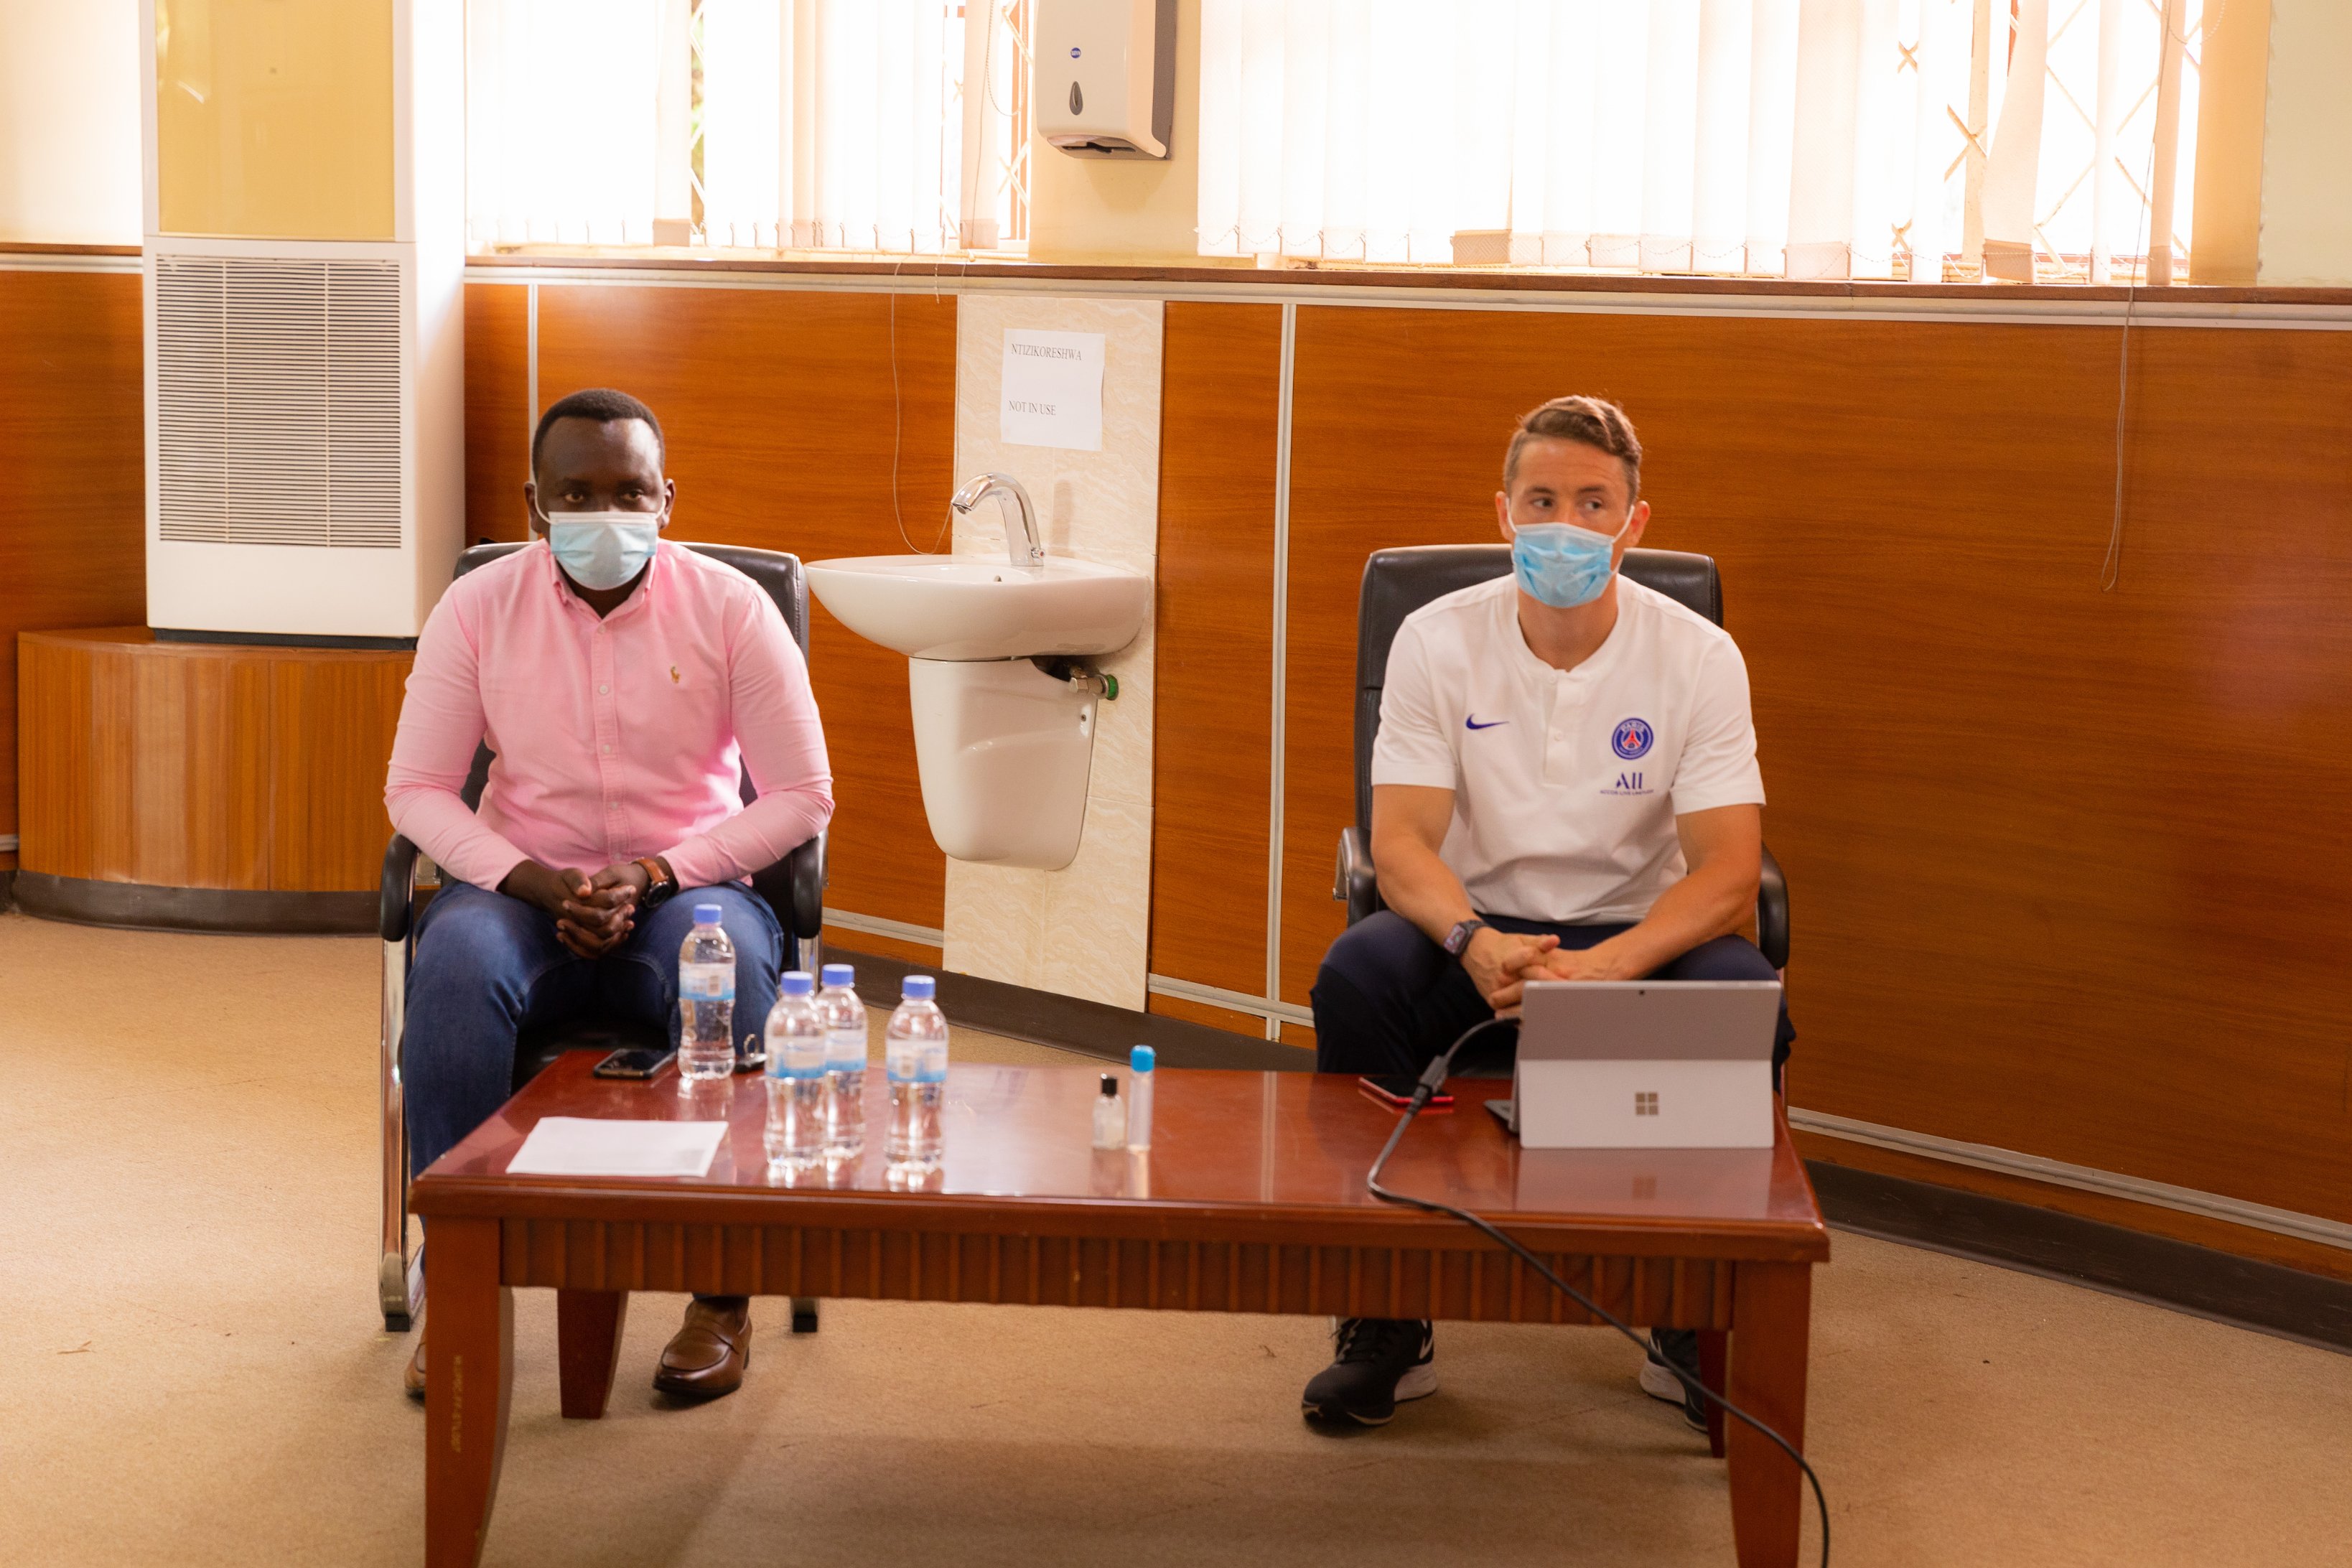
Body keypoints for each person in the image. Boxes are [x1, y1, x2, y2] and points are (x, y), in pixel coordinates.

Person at [1302, 396, 1791, 1429]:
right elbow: (1400, 844)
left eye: (1593, 503)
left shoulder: (1699, 655)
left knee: (1745, 993)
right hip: (1473, 930)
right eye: (1542, 500)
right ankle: (1387, 1308)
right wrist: (1474, 941)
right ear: (1504, 513)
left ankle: (1683, 1313)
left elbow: (1728, 872)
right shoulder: (1436, 640)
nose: (1565, 524)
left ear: (1634, 523)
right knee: (1360, 977)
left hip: (1635, 937)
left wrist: (1611, 968)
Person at [385, 388, 833, 1403]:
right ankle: (461, 1283)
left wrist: (659, 871)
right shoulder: (477, 608)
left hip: (686, 886)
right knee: (452, 966)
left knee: (724, 963)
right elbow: (415, 789)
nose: (605, 514)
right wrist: (530, 878)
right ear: (535, 503)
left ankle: (722, 1293)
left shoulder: (731, 608)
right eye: (576, 493)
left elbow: (804, 795)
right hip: (518, 888)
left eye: (630, 492)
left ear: (667, 498)